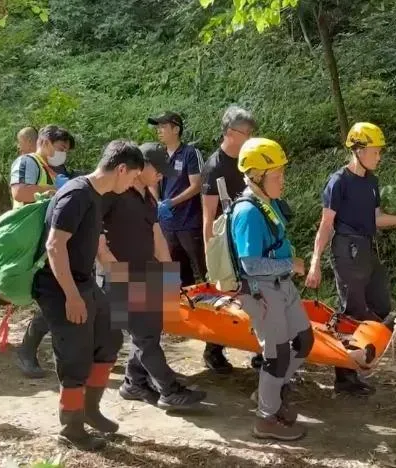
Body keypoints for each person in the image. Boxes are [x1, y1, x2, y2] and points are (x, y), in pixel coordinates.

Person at [32, 140, 144, 451]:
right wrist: (71, 296)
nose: (135, 182)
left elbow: (94, 242)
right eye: (134, 176)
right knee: (75, 356)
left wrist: (123, 276)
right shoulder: (76, 195)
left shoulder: (98, 196)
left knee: (110, 338)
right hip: (59, 287)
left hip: (83, 282)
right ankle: (71, 427)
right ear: (121, 169)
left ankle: (91, 411)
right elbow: (54, 246)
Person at [97, 142, 207, 410]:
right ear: (141, 166)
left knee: (151, 332)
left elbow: (157, 234)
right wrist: (114, 273)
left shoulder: (147, 195)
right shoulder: (111, 194)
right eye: (158, 170)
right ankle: (169, 390)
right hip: (121, 274)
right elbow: (96, 240)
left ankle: (133, 383)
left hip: (149, 271)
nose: (161, 176)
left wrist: (170, 273)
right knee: (144, 336)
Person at [305, 122, 396, 396]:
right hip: (346, 249)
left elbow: (376, 218)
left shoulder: (372, 182)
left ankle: (363, 354)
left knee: (380, 304)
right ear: (359, 150)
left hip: (366, 248)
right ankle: (344, 376)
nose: (379, 156)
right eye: (375, 151)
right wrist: (315, 262)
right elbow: (326, 224)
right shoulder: (338, 182)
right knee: (352, 311)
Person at [230, 137, 314, 441]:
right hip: (262, 291)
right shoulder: (248, 212)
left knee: (304, 341)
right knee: (276, 355)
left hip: (282, 286)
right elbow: (250, 264)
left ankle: (271, 392)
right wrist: (291, 265)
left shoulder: (267, 202)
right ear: (256, 177)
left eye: (281, 174)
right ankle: (266, 418)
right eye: (277, 176)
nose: (283, 181)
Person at [11, 125, 76, 379]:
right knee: (53, 298)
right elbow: (19, 192)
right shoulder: (27, 161)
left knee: (57, 297)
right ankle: (27, 351)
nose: (62, 154)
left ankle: (32, 351)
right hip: (31, 242)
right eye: (60, 148)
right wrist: (55, 191)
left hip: (47, 240)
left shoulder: (50, 169)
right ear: (45, 142)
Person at [200, 105, 257, 374]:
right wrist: (211, 253)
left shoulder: (250, 159)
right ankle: (213, 350)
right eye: (246, 132)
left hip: (250, 236)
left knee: (257, 292)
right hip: (227, 242)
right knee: (226, 296)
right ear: (230, 133)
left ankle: (260, 350)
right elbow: (208, 216)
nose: (250, 137)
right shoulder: (215, 167)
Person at [147, 111, 207, 288]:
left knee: (203, 268)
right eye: (157, 127)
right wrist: (157, 201)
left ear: (176, 129)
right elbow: (152, 181)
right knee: (176, 273)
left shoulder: (190, 153)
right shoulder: (158, 155)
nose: (159, 130)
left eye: (163, 127)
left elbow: (196, 185)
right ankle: (184, 311)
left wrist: (172, 202)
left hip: (189, 222)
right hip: (167, 224)